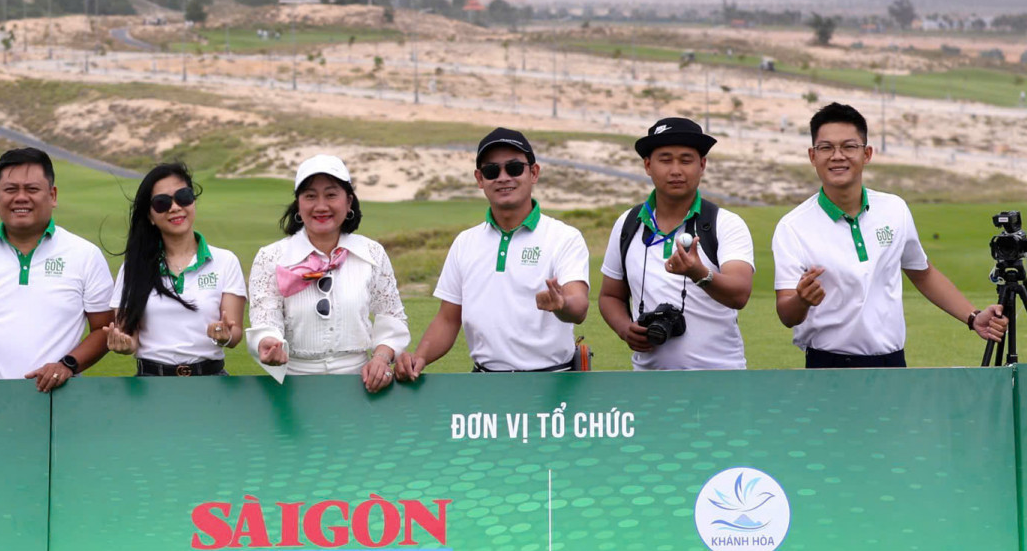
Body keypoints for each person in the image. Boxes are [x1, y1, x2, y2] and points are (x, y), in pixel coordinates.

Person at [772, 102, 1006, 367]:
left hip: (893, 363)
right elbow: (787, 314)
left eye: (849, 146)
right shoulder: (792, 227)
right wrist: (802, 301)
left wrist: (973, 317)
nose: (837, 156)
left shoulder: (894, 209)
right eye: (826, 148)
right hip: (827, 366)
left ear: (867, 154)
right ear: (813, 156)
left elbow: (923, 272)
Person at [395, 127, 589, 379]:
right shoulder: (466, 242)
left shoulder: (564, 237)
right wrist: (419, 357)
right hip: (485, 383)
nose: (503, 177)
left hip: (553, 381)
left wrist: (562, 305)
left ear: (534, 173)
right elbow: (448, 319)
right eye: (491, 171)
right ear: (479, 179)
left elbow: (579, 305)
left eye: (514, 168)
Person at [0, 147, 115, 392]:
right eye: (11, 190)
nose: (21, 197)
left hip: (58, 400)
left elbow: (104, 329)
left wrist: (68, 365)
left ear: (52, 195)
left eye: (32, 189)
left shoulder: (84, 254)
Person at [597, 117, 754, 370]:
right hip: (649, 383)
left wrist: (699, 273)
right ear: (648, 165)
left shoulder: (725, 224)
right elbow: (609, 295)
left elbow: (739, 293)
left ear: (702, 165)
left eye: (686, 160)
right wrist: (624, 328)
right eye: (665, 159)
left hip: (721, 381)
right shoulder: (628, 224)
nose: (676, 170)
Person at [247, 154, 409, 392]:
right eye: (310, 196)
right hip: (293, 386)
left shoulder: (371, 252)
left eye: (331, 195)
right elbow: (265, 318)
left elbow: (391, 316)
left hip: (360, 385)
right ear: (299, 204)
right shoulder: (271, 257)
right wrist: (269, 343)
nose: (321, 206)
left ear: (349, 201)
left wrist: (381, 358)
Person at [104, 162, 245, 376]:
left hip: (211, 380)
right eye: (162, 203)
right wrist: (125, 344)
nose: (175, 207)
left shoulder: (225, 261)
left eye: (183, 197)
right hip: (151, 381)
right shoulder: (134, 266)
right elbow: (128, 336)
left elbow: (234, 334)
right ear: (150, 216)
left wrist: (223, 335)